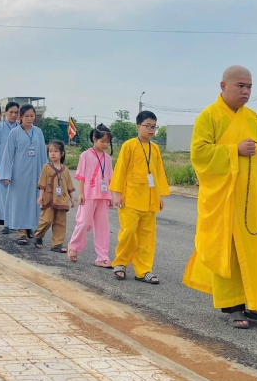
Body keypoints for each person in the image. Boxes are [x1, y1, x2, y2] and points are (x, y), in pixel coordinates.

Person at [183, 66, 257, 330]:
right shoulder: (208, 117)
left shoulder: (254, 119)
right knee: (230, 253)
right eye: (240, 86)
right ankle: (234, 306)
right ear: (223, 86)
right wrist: (234, 151)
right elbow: (199, 155)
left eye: (250, 87)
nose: (246, 91)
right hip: (228, 202)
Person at [109, 111, 170, 284]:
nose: (151, 130)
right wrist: (118, 194)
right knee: (128, 233)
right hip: (131, 199)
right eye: (148, 126)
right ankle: (120, 263)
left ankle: (143, 271)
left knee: (147, 237)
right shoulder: (129, 145)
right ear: (138, 126)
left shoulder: (155, 148)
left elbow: (158, 174)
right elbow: (120, 170)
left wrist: (159, 196)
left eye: (154, 126)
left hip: (150, 200)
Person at [0, 104, 47, 245]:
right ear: (20, 117)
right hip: (19, 174)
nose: (30, 119)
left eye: (32, 116)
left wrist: (46, 174)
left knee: (33, 200)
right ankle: (21, 230)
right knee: (19, 202)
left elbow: (43, 155)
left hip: (35, 173)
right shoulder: (14, 133)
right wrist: (6, 174)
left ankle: (30, 226)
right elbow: (8, 154)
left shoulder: (38, 132)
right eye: (27, 116)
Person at [68, 125, 114, 267]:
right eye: (103, 141)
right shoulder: (85, 155)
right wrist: (81, 193)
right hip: (88, 194)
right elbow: (81, 176)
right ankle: (74, 246)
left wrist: (111, 196)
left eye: (108, 142)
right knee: (84, 222)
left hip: (104, 195)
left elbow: (110, 178)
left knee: (102, 226)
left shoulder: (108, 158)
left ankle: (102, 257)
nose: (105, 144)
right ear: (94, 139)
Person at [33, 140, 76, 251]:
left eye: (55, 151)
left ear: (61, 153)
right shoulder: (46, 167)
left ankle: (57, 244)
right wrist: (40, 196)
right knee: (46, 220)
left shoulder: (65, 169)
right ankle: (38, 235)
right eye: (50, 151)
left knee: (60, 222)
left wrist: (72, 199)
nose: (52, 153)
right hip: (48, 199)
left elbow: (69, 184)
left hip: (62, 199)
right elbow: (42, 183)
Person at [0, 102, 21, 230]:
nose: (14, 115)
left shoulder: (21, 128)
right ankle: (5, 224)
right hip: (2, 167)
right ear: (6, 113)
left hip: (17, 167)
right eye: (11, 112)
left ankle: (16, 222)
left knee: (16, 196)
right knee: (3, 196)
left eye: (16, 113)